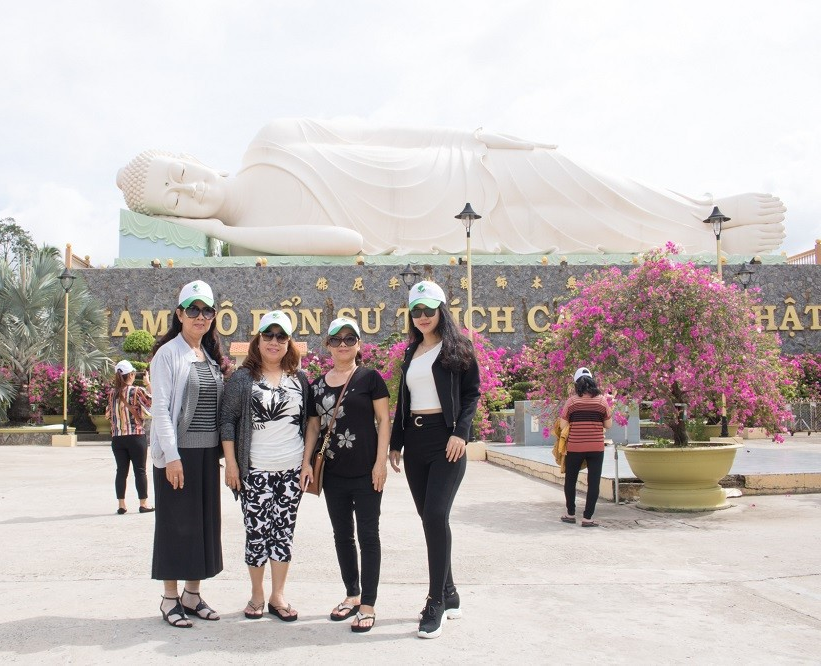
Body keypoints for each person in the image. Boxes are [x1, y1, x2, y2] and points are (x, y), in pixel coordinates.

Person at [116, 117, 786, 257]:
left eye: (181, 174)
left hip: (453, 169)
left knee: (587, 181)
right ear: (172, 218)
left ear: (191, 156)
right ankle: (706, 245)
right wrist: (222, 229)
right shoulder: (246, 237)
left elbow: (382, 134)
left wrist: (470, 136)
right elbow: (345, 241)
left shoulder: (270, 139)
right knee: (585, 231)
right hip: (449, 229)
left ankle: (704, 211)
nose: (190, 190)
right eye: (174, 200)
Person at [389, 280, 480, 640]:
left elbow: (472, 394)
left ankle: (435, 602)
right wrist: (396, 443)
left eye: (429, 310)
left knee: (435, 515)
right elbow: (404, 401)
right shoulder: (412, 351)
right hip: (416, 441)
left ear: (441, 310)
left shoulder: (458, 348)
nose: (423, 316)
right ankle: (451, 592)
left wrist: (461, 433)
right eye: (416, 311)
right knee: (429, 519)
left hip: (447, 442)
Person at [300, 317, 391, 634]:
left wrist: (380, 463)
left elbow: (384, 421)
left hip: (367, 473)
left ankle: (368, 604)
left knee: (368, 536)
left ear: (359, 344)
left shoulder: (370, 378)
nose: (343, 344)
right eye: (336, 340)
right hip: (333, 474)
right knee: (342, 536)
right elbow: (313, 426)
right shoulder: (317, 385)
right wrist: (306, 462)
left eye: (350, 339)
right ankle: (352, 595)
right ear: (327, 345)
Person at [221, 310, 310, 623]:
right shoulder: (243, 379)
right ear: (257, 341)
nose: (274, 341)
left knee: (283, 533)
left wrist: (307, 463)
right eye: (268, 335)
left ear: (289, 342)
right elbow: (227, 421)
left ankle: (278, 595)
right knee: (256, 532)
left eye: (281, 336)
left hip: (291, 471)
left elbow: (310, 422)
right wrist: (231, 465)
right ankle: (257, 594)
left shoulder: (299, 378)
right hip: (255, 470)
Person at [149, 279, 226, 628]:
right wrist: (172, 456)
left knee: (202, 527)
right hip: (179, 456)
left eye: (207, 310)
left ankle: (192, 595)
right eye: (193, 310)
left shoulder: (209, 355)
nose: (200, 316)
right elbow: (161, 409)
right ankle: (169, 598)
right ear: (179, 314)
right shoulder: (168, 354)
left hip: (207, 455)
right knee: (175, 526)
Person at [558, 367, 613, 528]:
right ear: (592, 382)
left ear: (577, 384)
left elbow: (563, 425)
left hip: (575, 447)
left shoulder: (572, 402)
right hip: (596, 448)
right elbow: (608, 425)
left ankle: (570, 514)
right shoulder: (601, 401)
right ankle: (587, 518)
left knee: (571, 480)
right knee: (593, 482)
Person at [106, 359, 153, 515]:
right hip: (135, 436)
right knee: (140, 470)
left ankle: (121, 504)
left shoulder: (112, 394)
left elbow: (108, 414)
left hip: (117, 438)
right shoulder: (136, 390)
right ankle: (143, 504)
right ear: (131, 375)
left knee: (121, 471)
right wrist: (148, 383)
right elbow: (152, 402)